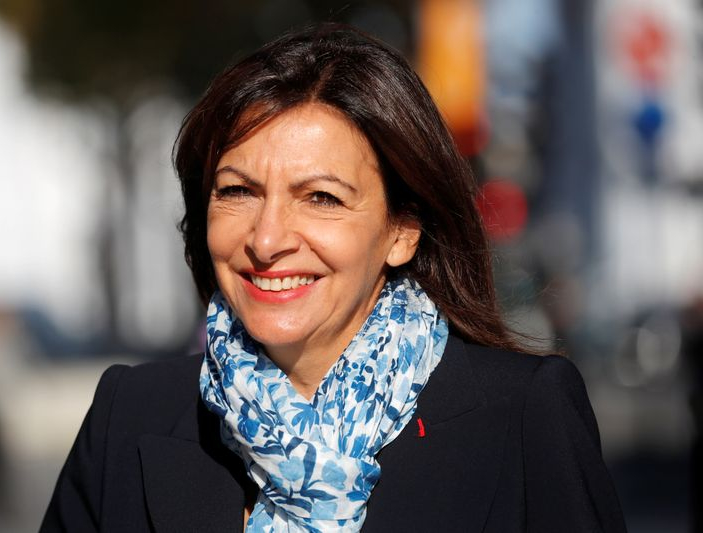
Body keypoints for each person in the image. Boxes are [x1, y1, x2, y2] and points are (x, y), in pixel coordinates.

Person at [40, 24, 627, 532]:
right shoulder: (130, 415)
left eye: (321, 198)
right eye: (237, 192)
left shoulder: (522, 416)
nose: (267, 240)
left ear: (403, 230)